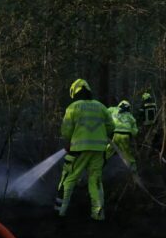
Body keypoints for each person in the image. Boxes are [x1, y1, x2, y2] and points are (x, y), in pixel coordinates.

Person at [56, 79, 114, 220]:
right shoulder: (101, 107)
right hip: (99, 150)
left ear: (74, 92)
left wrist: (69, 141)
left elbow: (66, 130)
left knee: (69, 179)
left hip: (78, 149)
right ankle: (98, 215)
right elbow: (111, 127)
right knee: (95, 181)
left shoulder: (73, 107)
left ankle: (59, 213)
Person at [105, 99, 139, 173]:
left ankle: (102, 161)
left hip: (116, 134)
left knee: (109, 149)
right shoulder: (130, 116)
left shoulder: (113, 109)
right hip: (126, 135)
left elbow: (104, 112)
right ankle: (133, 167)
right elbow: (135, 130)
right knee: (127, 152)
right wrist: (132, 133)